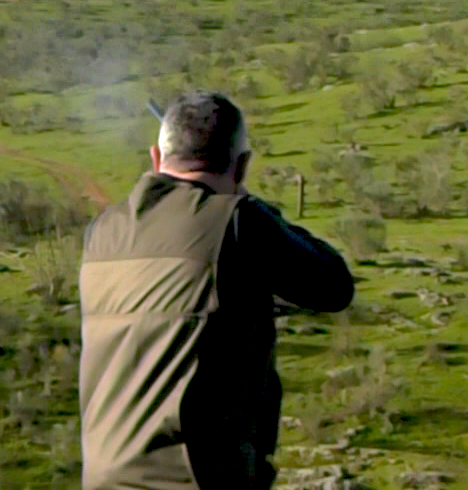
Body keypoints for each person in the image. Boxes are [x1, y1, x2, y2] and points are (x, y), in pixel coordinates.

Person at [79, 91, 355, 489]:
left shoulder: (103, 231)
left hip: (105, 478)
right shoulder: (238, 221)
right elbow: (333, 286)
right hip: (198, 480)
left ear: (156, 158)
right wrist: (256, 207)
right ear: (241, 166)